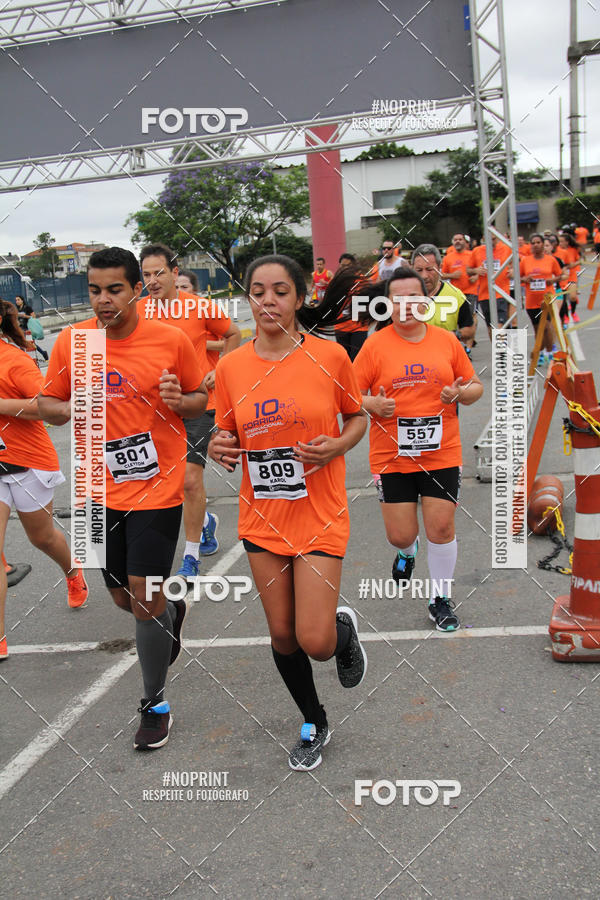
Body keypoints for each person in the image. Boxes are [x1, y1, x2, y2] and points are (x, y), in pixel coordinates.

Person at [39, 247, 207, 750]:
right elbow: (49, 401)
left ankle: (155, 704)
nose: (103, 300)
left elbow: (201, 398)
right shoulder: (74, 342)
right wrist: (60, 409)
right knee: (122, 597)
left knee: (143, 594)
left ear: (137, 289)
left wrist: (181, 400)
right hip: (94, 489)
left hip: (156, 486)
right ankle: (171, 611)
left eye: (114, 289)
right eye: (95, 290)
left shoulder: (169, 339)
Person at [209, 254, 368, 772]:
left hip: (320, 513)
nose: (268, 301)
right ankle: (313, 721)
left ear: (299, 298)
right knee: (282, 634)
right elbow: (225, 429)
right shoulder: (231, 367)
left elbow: (356, 419)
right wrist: (218, 445)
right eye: (258, 291)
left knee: (314, 641)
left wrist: (336, 446)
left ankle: (342, 635)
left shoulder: (330, 356)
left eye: (280, 291)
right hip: (263, 517)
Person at [353, 267, 483, 632]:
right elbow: (348, 395)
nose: (406, 305)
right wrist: (373, 405)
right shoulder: (375, 346)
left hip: (442, 453)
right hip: (391, 457)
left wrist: (460, 393)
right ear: (387, 304)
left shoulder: (446, 341)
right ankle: (406, 552)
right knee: (401, 534)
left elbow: (475, 387)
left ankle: (440, 598)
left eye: (414, 297)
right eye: (398, 299)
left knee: (440, 527)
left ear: (426, 301)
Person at [139, 244, 241, 577]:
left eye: (158, 273)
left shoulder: (198, 306)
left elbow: (233, 334)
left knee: (189, 481)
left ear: (174, 272)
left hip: (198, 404)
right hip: (155, 410)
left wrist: (221, 367)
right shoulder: (136, 311)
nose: (152, 281)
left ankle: (191, 557)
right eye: (146, 275)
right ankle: (206, 520)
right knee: (163, 482)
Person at [0, 300, 88, 660]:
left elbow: (46, 406)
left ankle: (72, 571)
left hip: (27, 464)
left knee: (42, 538)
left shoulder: (14, 361)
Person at [411, 244, 476, 349]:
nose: (424, 276)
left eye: (429, 269)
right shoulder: (403, 295)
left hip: (445, 355)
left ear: (440, 268)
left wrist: (453, 335)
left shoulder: (455, 295)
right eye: (419, 270)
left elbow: (469, 330)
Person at [520, 233, 561, 363]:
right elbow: (518, 277)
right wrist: (525, 279)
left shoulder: (551, 260)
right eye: (533, 243)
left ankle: (550, 351)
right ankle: (541, 351)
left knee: (547, 326)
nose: (536, 245)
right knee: (538, 329)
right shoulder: (525, 261)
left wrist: (552, 280)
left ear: (543, 244)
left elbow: (560, 275)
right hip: (532, 301)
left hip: (547, 299)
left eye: (538, 242)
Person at [467, 235, 512, 338]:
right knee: (491, 327)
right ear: (483, 239)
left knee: (500, 325)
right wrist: (476, 270)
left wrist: (512, 270)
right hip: (485, 295)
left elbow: (516, 263)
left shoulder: (506, 249)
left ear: (498, 238)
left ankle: (501, 348)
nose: (492, 241)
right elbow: (468, 270)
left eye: (494, 239)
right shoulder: (477, 251)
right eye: (489, 239)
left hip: (501, 293)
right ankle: (496, 347)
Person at [334, 252, 369, 361]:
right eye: (342, 265)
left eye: (348, 266)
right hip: (341, 326)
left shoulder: (362, 281)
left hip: (359, 327)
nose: (345, 268)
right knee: (344, 360)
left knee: (357, 359)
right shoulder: (336, 281)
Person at [556, 232, 581, 324]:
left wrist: (572, 265)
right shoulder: (558, 251)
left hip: (572, 275)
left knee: (573, 297)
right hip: (563, 277)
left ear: (567, 242)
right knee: (564, 298)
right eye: (559, 241)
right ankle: (566, 315)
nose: (560, 243)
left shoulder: (573, 249)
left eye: (562, 241)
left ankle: (573, 312)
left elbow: (578, 261)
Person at [14, 295, 48, 361]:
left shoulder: (27, 308)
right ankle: (24, 359)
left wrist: (25, 316)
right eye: (16, 300)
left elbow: (33, 317)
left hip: (28, 328)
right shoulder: (17, 309)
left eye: (18, 300)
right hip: (21, 328)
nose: (17, 301)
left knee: (31, 344)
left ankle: (43, 353)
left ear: (22, 300)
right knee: (21, 343)